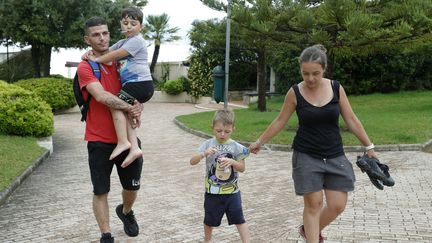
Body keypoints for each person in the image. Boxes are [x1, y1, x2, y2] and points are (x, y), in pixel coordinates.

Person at [249, 44, 378, 243]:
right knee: (314, 204)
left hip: (335, 154)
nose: (310, 79)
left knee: (337, 205)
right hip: (306, 155)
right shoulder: (294, 93)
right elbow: (280, 121)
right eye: (305, 73)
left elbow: (351, 119)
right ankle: (312, 238)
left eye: (315, 73)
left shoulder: (336, 88)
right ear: (301, 69)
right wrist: (260, 141)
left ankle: (308, 230)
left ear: (324, 69)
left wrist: (369, 147)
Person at [78, 16, 145, 243]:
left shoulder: (120, 61)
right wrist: (129, 107)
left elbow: (135, 87)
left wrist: (137, 105)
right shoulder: (86, 66)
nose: (102, 38)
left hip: (126, 137)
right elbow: (102, 96)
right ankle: (106, 233)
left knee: (132, 188)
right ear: (88, 39)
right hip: (99, 141)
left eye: (105, 33)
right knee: (100, 191)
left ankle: (126, 211)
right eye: (96, 35)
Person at [86, 7, 154, 168]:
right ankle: (134, 147)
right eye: (125, 23)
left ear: (141, 27)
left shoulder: (137, 41)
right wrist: (89, 53)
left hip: (141, 84)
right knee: (124, 108)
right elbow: (106, 50)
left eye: (133, 23)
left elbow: (115, 55)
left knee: (114, 103)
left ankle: (124, 142)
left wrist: (96, 60)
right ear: (120, 24)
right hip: (135, 86)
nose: (129, 26)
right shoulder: (123, 42)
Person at [190, 110, 251, 243]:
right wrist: (203, 154)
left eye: (227, 131)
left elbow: (242, 168)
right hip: (212, 192)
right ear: (212, 128)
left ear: (233, 129)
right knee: (209, 220)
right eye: (218, 131)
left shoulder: (237, 147)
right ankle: (208, 241)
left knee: (239, 219)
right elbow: (192, 161)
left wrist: (233, 162)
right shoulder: (208, 144)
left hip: (232, 192)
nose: (222, 134)